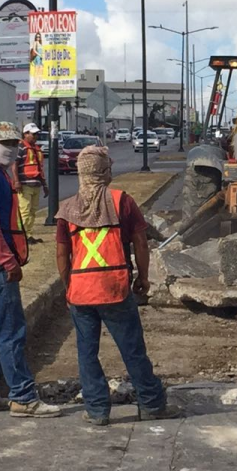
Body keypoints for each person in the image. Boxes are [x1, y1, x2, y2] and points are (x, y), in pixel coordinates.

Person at [55, 146, 179, 426]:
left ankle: (97, 410)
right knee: (132, 349)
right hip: (115, 288)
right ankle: (150, 404)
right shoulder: (122, 201)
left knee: (87, 353)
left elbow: (63, 255)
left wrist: (68, 286)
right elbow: (140, 243)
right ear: (104, 172)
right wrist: (143, 277)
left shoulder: (67, 208)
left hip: (81, 293)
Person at [0, 121, 62, 418]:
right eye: (5, 144)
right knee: (9, 333)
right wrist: (7, 261)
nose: (11, 149)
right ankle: (22, 397)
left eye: (14, 143)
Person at [12, 123, 49, 244]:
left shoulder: (36, 149)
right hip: (25, 185)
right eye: (33, 134)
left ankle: (28, 234)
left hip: (36, 184)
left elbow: (40, 169)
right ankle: (22, 236)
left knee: (33, 211)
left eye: (36, 134)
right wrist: (17, 181)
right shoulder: (21, 147)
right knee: (25, 211)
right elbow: (14, 164)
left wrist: (45, 185)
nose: (35, 136)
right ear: (25, 134)